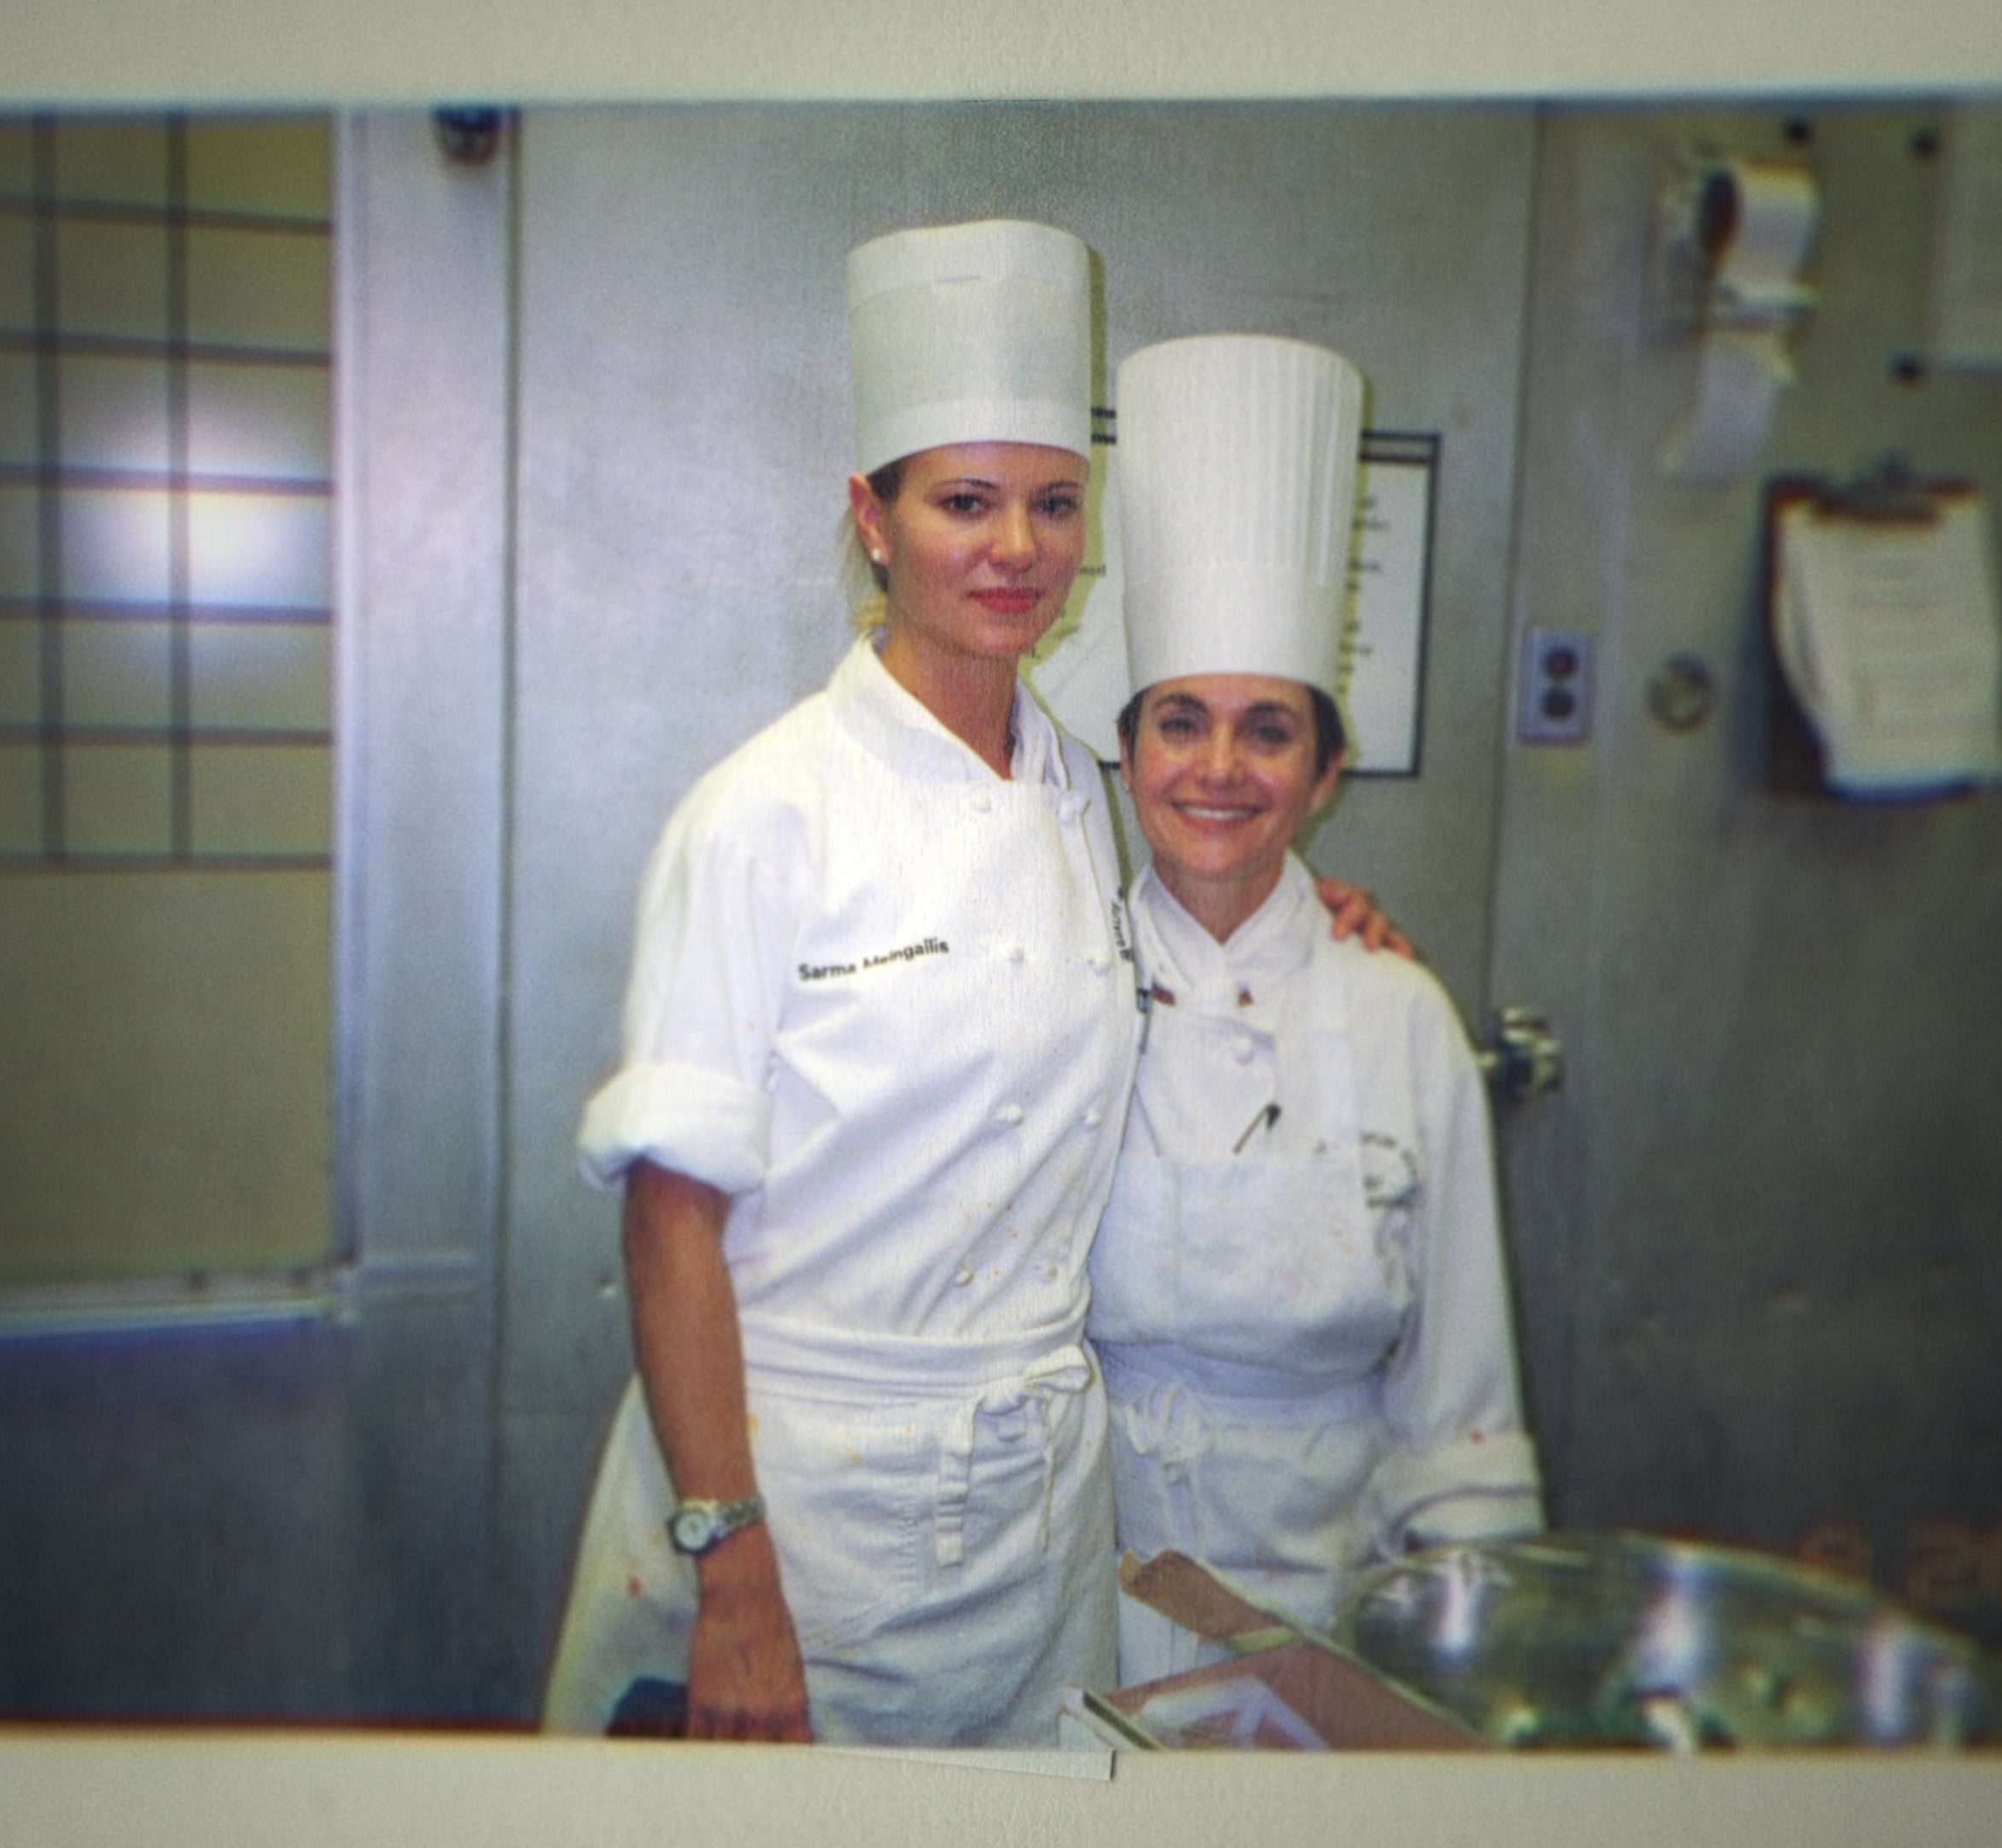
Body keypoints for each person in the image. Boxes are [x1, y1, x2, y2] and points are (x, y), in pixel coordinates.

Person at [538, 224, 1396, 1747]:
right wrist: (731, 1573)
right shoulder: (764, 816)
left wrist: (1326, 933)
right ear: (872, 518)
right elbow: (670, 1217)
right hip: (803, 1516)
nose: (1016, 549)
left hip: (1035, 1526)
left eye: (1054, 504)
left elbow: (1200, 900)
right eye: (965, 503)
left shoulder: (1077, 788)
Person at [1087, 333, 1544, 1686]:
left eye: (1268, 729)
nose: (1219, 769)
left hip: (1332, 1644)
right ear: (1126, 750)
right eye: (1181, 721)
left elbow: (1460, 1416)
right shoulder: (1051, 996)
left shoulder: (1401, 1017)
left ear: (1328, 769)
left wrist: (1468, 1672)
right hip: (1067, 1624)